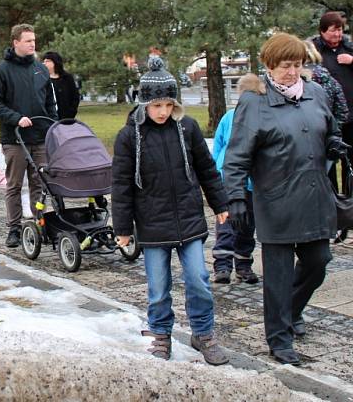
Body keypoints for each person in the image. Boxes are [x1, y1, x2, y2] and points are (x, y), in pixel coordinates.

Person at [224, 32, 344, 366]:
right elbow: (236, 156)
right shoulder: (254, 102)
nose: (291, 72)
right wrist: (234, 196)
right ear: (268, 66)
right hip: (276, 200)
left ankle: (290, 311)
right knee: (276, 277)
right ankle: (279, 339)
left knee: (318, 263)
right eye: (283, 66)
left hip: (314, 196)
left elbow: (330, 129)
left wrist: (334, 143)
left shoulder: (317, 93)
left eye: (296, 65)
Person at [111, 56, 230, 365]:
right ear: (144, 105)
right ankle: (161, 333)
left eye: (168, 105)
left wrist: (220, 204)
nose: (163, 112)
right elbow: (121, 185)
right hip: (151, 225)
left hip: (188, 220)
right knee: (159, 286)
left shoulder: (187, 128)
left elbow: (206, 169)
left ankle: (203, 333)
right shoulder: (129, 137)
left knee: (198, 279)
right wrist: (123, 228)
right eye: (156, 106)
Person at [0, 24, 57, 247]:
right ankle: (14, 228)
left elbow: (49, 103)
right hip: (14, 138)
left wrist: (53, 125)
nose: (32, 44)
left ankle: (39, 224)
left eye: (34, 40)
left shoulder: (40, 69)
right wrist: (15, 117)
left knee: (40, 183)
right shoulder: (2, 70)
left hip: (40, 137)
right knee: (14, 185)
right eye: (27, 41)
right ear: (15, 42)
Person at [211, 74, 263, 285]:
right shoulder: (229, 117)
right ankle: (223, 265)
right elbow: (219, 145)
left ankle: (242, 265)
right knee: (227, 223)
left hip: (250, 183)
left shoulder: (261, 118)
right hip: (228, 180)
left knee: (247, 226)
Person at [312, 11, 353, 194]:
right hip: (325, 117)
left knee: (349, 161)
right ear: (322, 31)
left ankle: (350, 200)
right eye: (332, 31)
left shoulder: (349, 47)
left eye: (340, 31)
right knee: (327, 161)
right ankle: (332, 200)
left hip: (351, 116)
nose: (337, 35)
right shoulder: (314, 51)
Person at [305, 38, 349, 191]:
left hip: (302, 141)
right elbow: (343, 111)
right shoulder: (331, 81)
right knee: (330, 179)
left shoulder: (297, 83)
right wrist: (332, 129)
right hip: (326, 138)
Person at [41, 51, 80, 120]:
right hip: (48, 119)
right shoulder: (42, 78)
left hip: (66, 118)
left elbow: (75, 96)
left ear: (55, 62)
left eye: (47, 61)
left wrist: (71, 113)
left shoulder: (67, 78)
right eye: (44, 61)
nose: (44, 63)